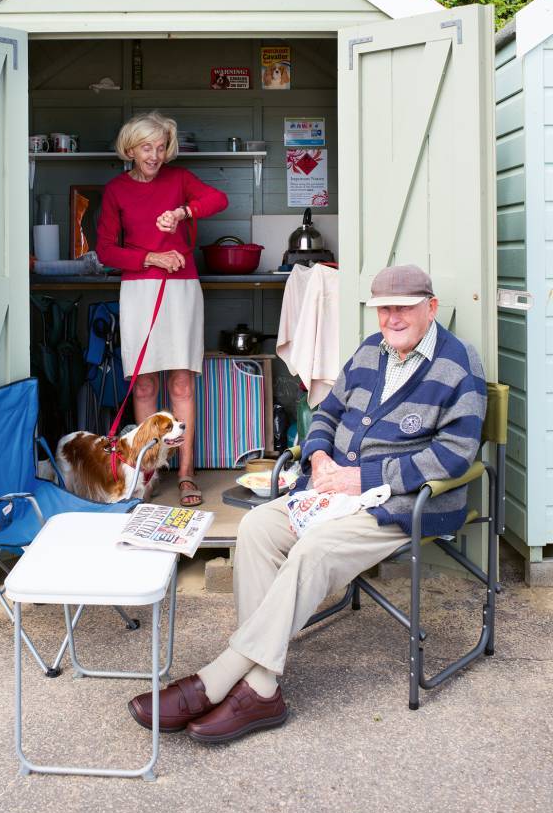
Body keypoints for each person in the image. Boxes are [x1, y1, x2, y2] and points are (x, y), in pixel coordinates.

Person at [128, 264, 487, 742]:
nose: (391, 318)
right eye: (383, 309)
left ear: (431, 308)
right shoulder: (369, 351)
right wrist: (318, 457)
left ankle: (221, 678)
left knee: (311, 552)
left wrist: (362, 476)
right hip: (329, 492)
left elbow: (457, 452)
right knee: (256, 530)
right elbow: (327, 413)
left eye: (403, 308)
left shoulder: (459, 363)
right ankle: (261, 685)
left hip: (397, 504)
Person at [96, 112, 228, 506]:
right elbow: (105, 249)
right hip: (138, 290)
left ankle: (186, 473)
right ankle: (146, 471)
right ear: (130, 149)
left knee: (182, 383)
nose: (154, 156)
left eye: (160, 147)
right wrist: (152, 258)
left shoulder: (180, 180)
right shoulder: (116, 189)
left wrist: (185, 212)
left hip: (182, 288)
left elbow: (218, 199)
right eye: (145, 148)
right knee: (145, 383)